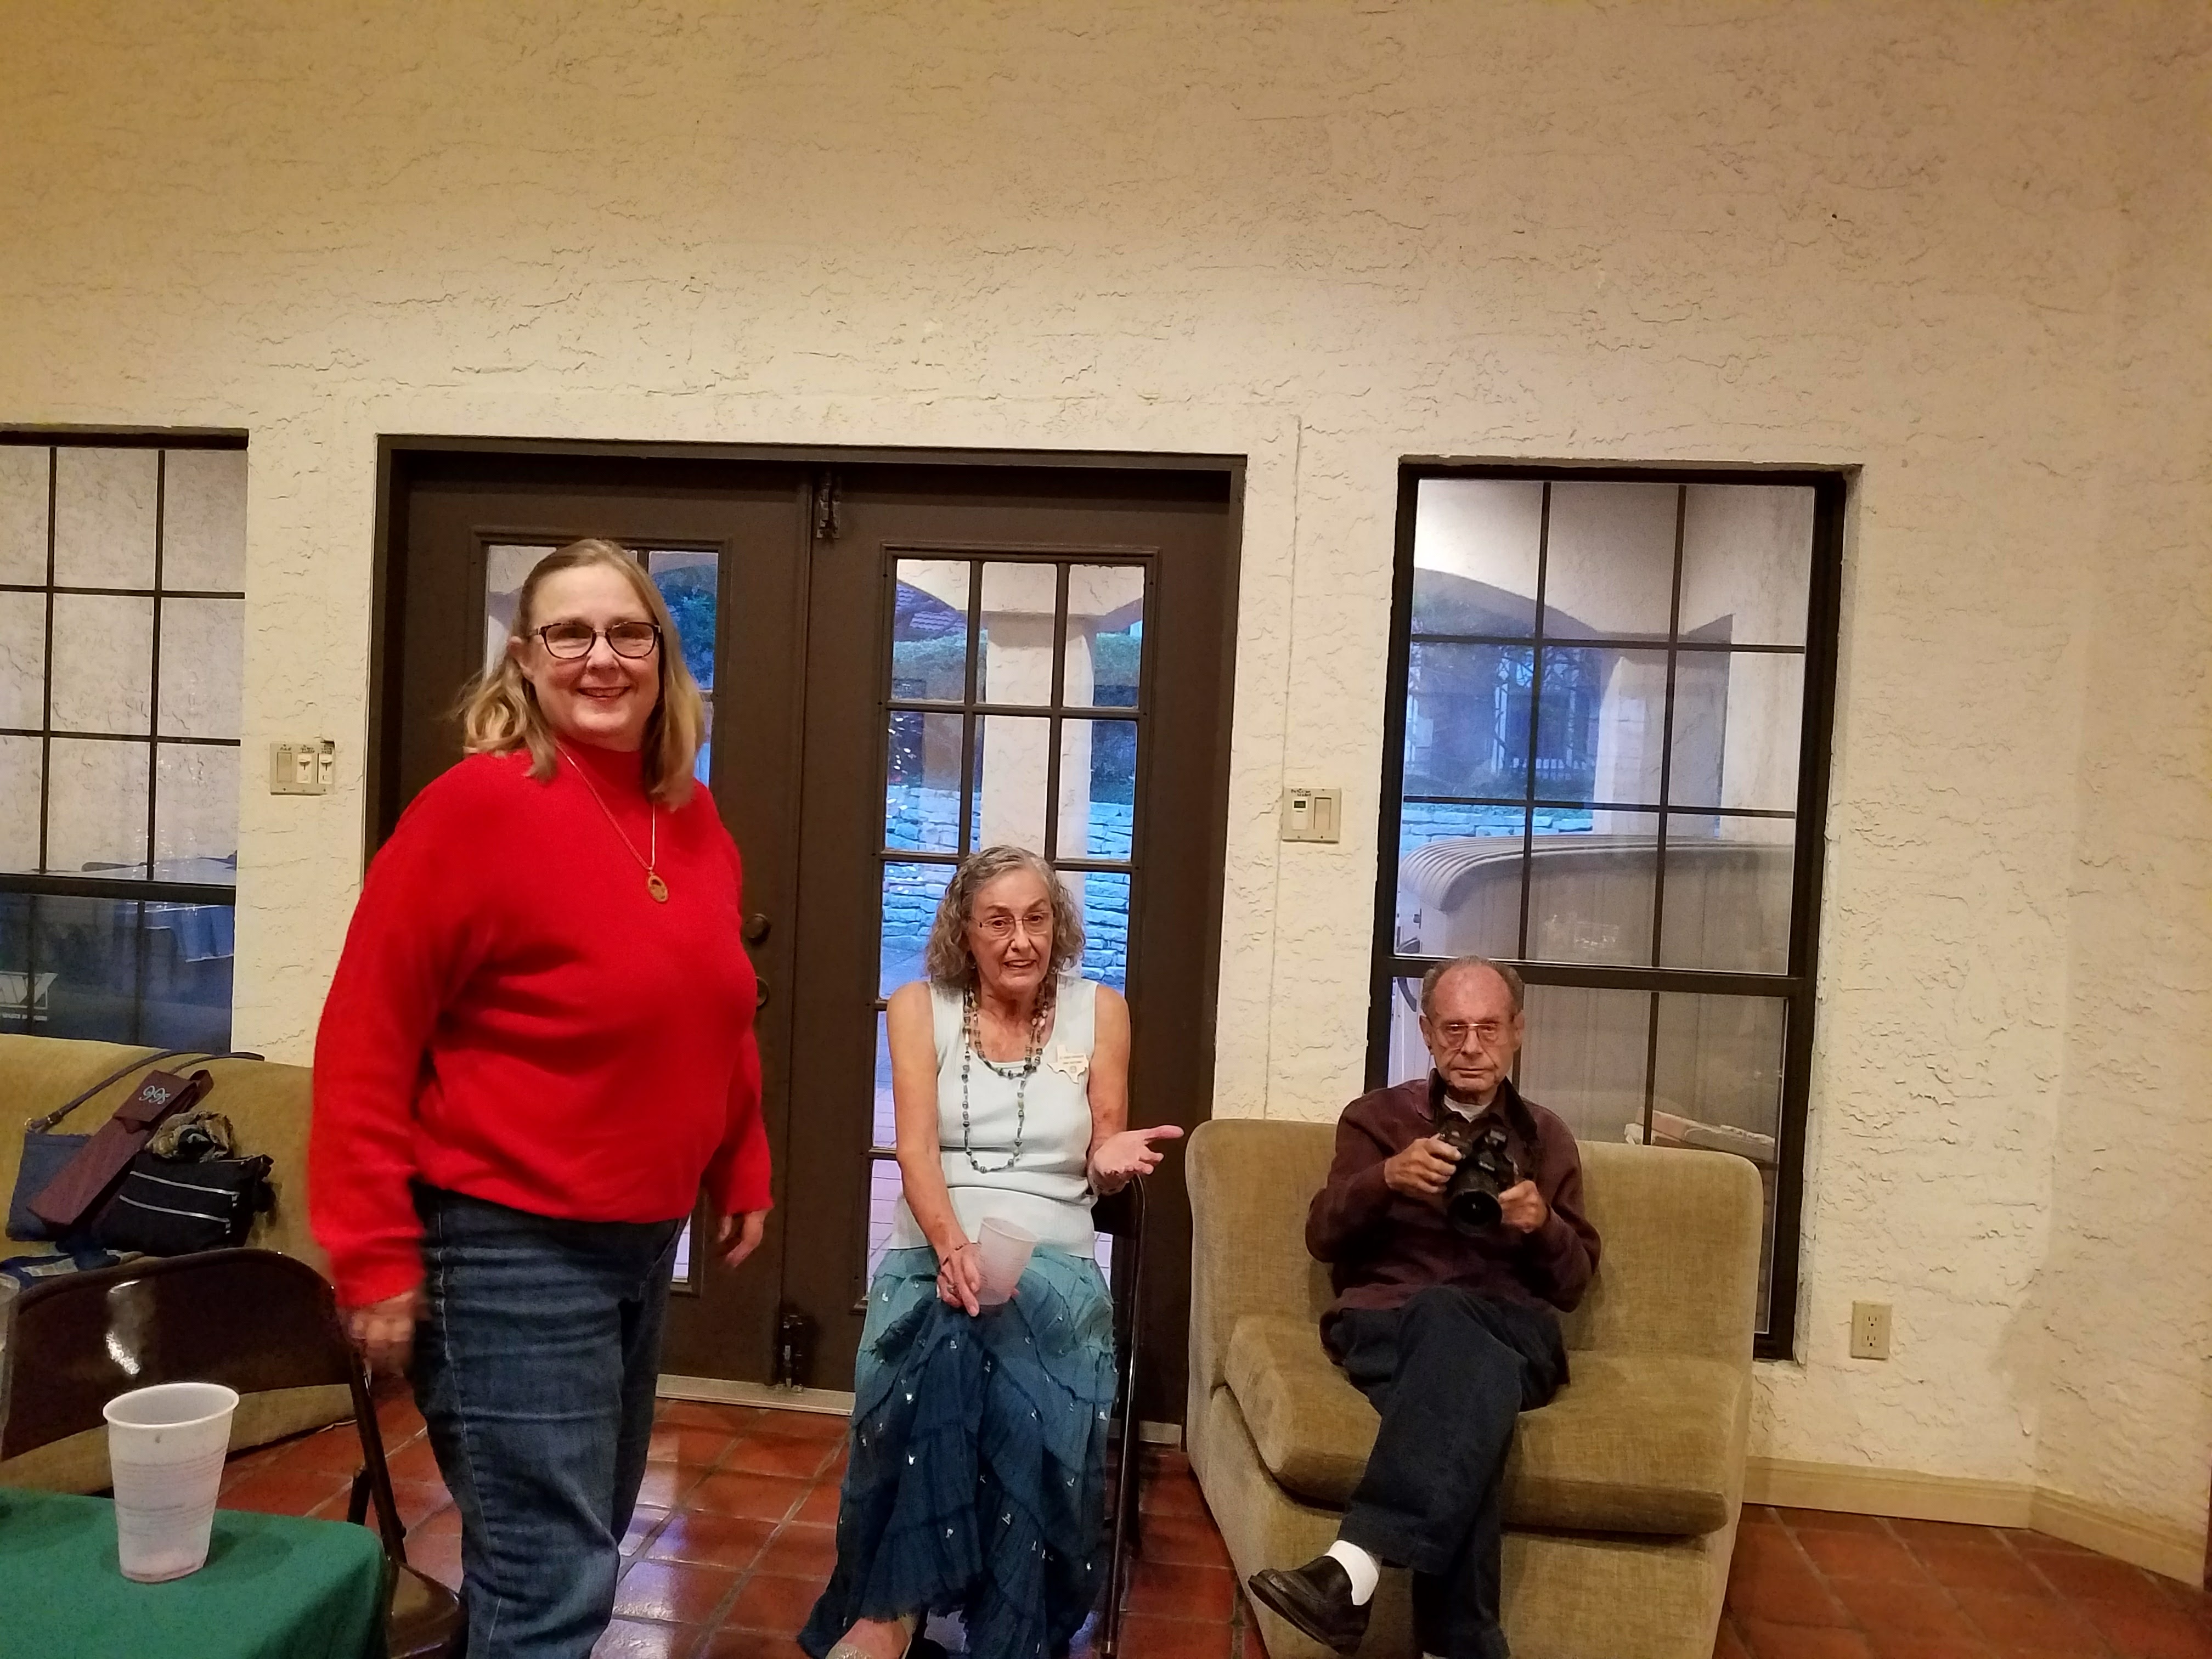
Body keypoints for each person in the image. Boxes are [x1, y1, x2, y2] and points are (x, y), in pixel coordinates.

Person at [309, 538, 772, 1659]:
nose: (601, 658)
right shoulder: (475, 810)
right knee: (549, 1580)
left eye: (628, 632)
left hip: (637, 1241)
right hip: (505, 1245)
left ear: (663, 656)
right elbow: (366, 1036)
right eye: (570, 633)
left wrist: (741, 1154)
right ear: (524, 658)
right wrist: (371, 1249)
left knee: (568, 1553)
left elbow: (714, 1003)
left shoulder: (690, 818)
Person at [801, 846, 1182, 1659]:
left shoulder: (1100, 1010)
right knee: (967, 1339)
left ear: (1059, 927)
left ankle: (890, 1612)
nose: (1021, 941)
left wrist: (1111, 1160)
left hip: (1054, 1259)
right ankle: (994, 1628)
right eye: (998, 922)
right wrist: (952, 1249)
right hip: (935, 1246)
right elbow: (914, 1152)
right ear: (963, 932)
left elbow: (1103, 1148)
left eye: (1037, 919)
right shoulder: (920, 1006)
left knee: (980, 1345)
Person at [1246, 956, 1601, 1659]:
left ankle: (1353, 1567)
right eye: (1454, 1029)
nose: (1471, 1047)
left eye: (1489, 1029)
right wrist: (1385, 1178)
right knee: (1465, 1378)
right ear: (1428, 1033)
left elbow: (1573, 1285)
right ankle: (1458, 1644)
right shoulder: (1378, 1120)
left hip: (1514, 1332)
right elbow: (1322, 1237)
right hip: (1388, 1326)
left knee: (1457, 1344)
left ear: (1517, 1032)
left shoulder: (1546, 1137)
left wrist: (1543, 1226)